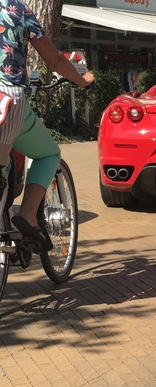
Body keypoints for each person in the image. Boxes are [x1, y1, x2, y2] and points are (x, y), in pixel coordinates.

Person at [0, 0, 94, 253]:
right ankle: (28, 215)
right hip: (7, 99)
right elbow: (54, 60)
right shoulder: (16, 9)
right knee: (49, 153)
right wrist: (82, 80)